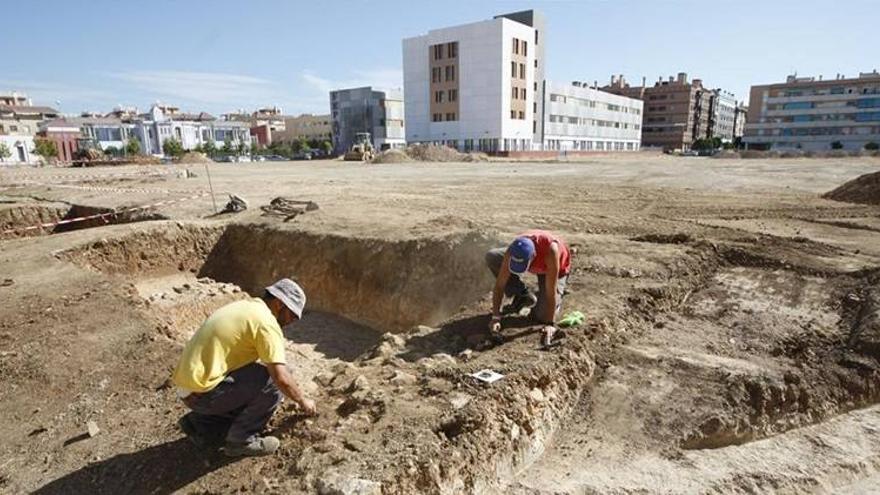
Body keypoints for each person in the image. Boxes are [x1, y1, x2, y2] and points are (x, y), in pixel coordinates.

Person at [172, 278, 316, 457]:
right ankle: (241, 441)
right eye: (292, 315)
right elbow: (281, 378)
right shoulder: (266, 323)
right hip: (202, 395)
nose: (292, 321)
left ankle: (199, 424)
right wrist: (302, 401)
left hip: (189, 388)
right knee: (272, 382)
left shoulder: (245, 307)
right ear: (279, 304)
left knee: (256, 374)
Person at [485, 230, 572, 344]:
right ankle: (523, 295)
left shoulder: (551, 251)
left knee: (542, 315)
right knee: (493, 256)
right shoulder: (513, 251)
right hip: (538, 263)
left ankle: (559, 293)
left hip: (555, 267)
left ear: (533, 256)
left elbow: (550, 293)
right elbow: (500, 285)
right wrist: (495, 317)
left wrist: (550, 324)